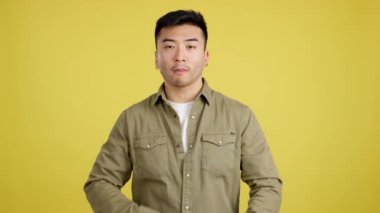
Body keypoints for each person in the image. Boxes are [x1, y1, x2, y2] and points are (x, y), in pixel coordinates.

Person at [84, 10, 282, 213]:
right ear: (156, 58)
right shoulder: (132, 119)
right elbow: (99, 183)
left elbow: (267, 184)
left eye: (190, 46)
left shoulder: (239, 116)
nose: (180, 56)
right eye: (169, 47)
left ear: (206, 57)